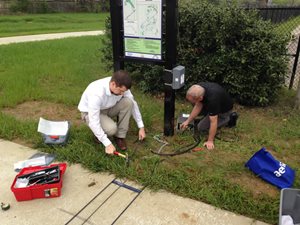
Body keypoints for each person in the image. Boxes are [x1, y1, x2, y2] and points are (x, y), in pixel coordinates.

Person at [78, 70, 146, 154]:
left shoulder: (121, 85)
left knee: (128, 102)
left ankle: (120, 136)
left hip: (107, 108)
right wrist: (107, 144)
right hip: (90, 113)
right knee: (112, 129)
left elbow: (133, 104)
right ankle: (99, 136)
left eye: (124, 91)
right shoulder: (96, 93)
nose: (122, 94)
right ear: (113, 84)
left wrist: (141, 127)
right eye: (121, 91)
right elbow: (94, 121)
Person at [180, 82, 237, 150]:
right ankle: (209, 114)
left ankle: (229, 118)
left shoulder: (212, 100)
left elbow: (213, 121)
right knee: (202, 115)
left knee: (201, 127)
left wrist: (210, 141)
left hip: (224, 111)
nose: (191, 103)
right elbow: (198, 105)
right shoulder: (198, 88)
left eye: (192, 101)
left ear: (200, 98)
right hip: (214, 104)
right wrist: (188, 121)